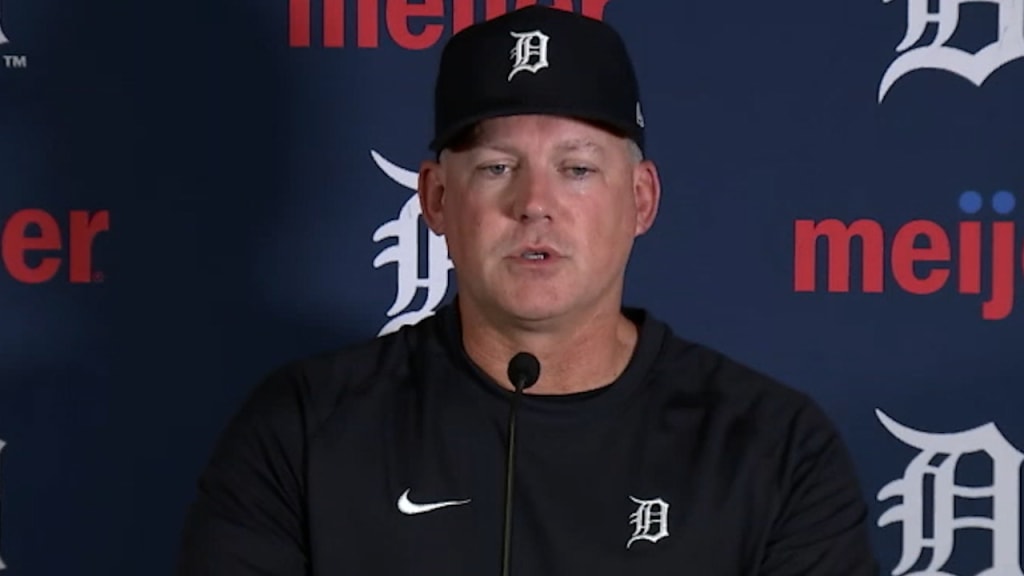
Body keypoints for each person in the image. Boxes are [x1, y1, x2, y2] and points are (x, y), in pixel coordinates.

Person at [175, 5, 879, 575]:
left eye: (576, 168)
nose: (534, 203)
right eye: (495, 167)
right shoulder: (304, 429)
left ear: (640, 199)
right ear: (438, 199)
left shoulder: (770, 447)